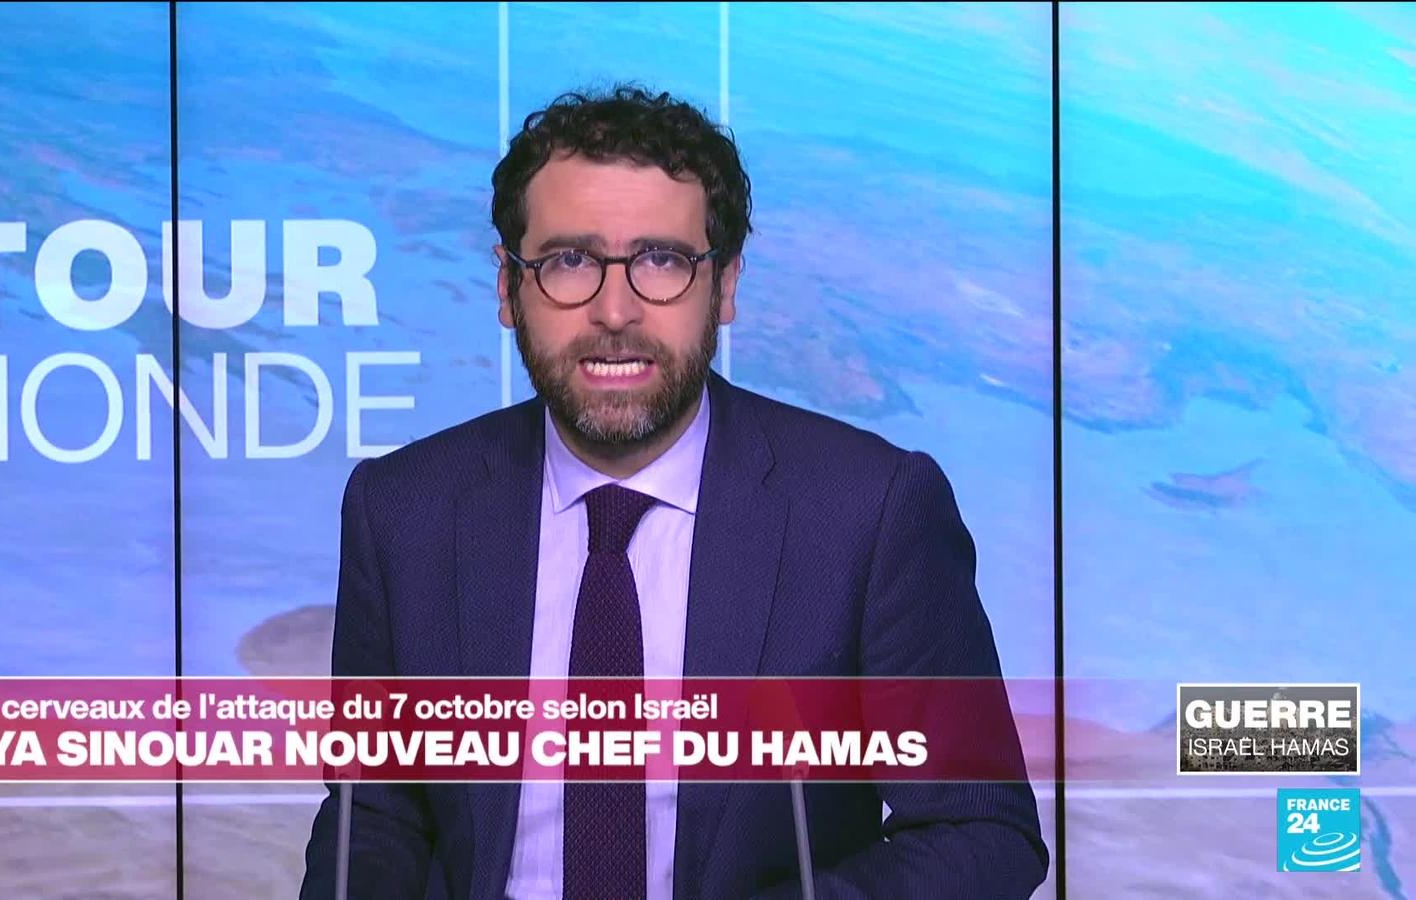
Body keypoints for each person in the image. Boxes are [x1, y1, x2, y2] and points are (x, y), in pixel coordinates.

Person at [302, 85, 1048, 899]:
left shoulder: (869, 510)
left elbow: (979, 832)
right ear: (509, 288)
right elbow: (374, 816)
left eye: (661, 260)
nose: (615, 310)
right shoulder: (402, 510)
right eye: (569, 261)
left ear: (724, 286)